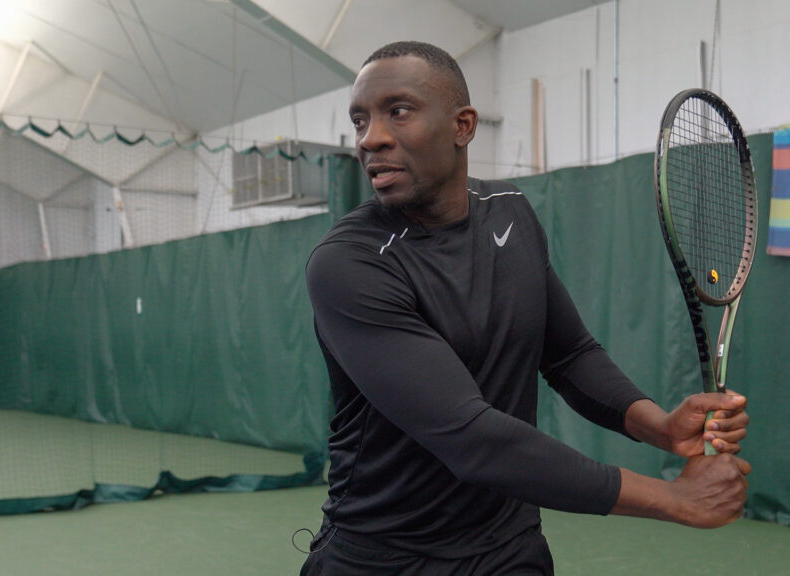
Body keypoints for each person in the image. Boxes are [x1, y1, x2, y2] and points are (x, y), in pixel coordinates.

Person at [300, 40, 751, 576]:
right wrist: (674, 499)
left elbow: (568, 354)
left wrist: (659, 426)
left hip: (511, 551)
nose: (371, 138)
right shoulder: (348, 264)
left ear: (463, 126)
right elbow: (471, 437)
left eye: (397, 111)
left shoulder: (509, 213)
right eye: (359, 120)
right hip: (385, 557)